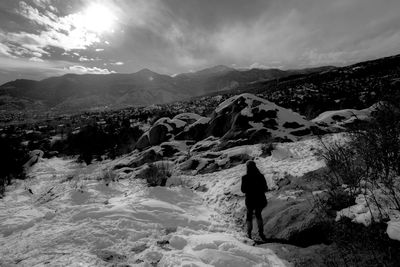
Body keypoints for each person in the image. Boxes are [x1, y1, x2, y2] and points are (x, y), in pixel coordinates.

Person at [241, 160, 268, 241]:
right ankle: (261, 233)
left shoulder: (245, 177)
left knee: (249, 215)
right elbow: (265, 188)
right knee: (258, 214)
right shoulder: (261, 176)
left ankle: (249, 233)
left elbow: (243, 190)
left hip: (250, 200)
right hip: (260, 199)